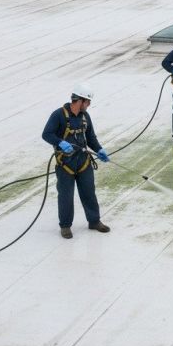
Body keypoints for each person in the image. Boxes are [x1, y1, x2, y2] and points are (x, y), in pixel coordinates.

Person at [42, 83, 110, 239]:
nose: (89, 105)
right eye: (88, 101)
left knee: (89, 193)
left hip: (83, 162)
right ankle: (65, 226)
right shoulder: (58, 115)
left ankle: (94, 221)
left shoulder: (85, 117)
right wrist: (60, 142)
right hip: (65, 164)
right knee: (65, 195)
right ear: (80, 100)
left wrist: (99, 149)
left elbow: (91, 137)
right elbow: (46, 134)